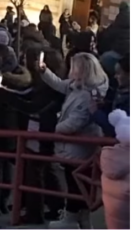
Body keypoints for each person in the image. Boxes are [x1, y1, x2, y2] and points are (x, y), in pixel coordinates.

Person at [39, 52, 109, 230]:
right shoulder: (78, 86)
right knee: (78, 183)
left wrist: (54, 128)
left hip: (78, 146)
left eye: (74, 67)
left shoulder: (88, 94)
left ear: (82, 70)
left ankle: (71, 217)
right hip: (75, 145)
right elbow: (60, 85)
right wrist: (45, 72)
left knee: (75, 184)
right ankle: (83, 220)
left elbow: (75, 122)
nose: (71, 70)